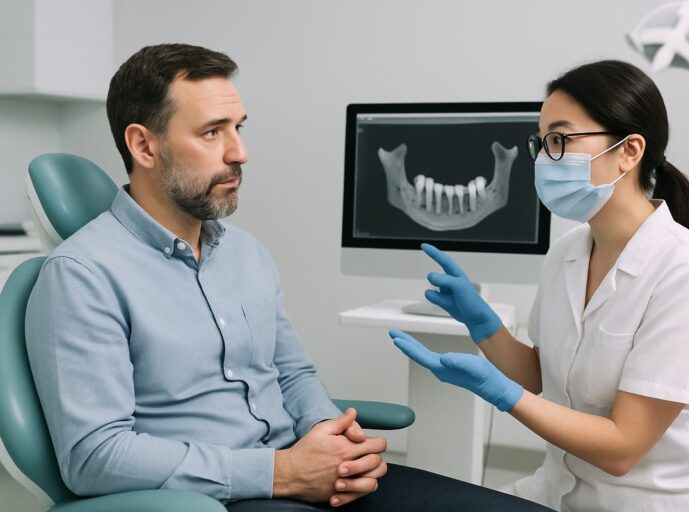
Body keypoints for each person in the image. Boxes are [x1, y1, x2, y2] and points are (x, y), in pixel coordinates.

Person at [25, 43, 551, 512]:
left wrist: (331, 439)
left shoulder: (245, 253)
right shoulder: (81, 275)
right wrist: (281, 473)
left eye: (239, 128)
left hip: (304, 470)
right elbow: (94, 456)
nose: (240, 152)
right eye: (212, 132)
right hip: (213, 498)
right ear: (144, 146)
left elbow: (292, 374)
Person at [389, 60, 689, 511]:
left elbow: (622, 449)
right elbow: (540, 376)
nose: (543, 159)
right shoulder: (567, 252)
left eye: (560, 140)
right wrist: (483, 324)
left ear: (629, 151)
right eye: (540, 143)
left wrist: (503, 396)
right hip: (558, 491)